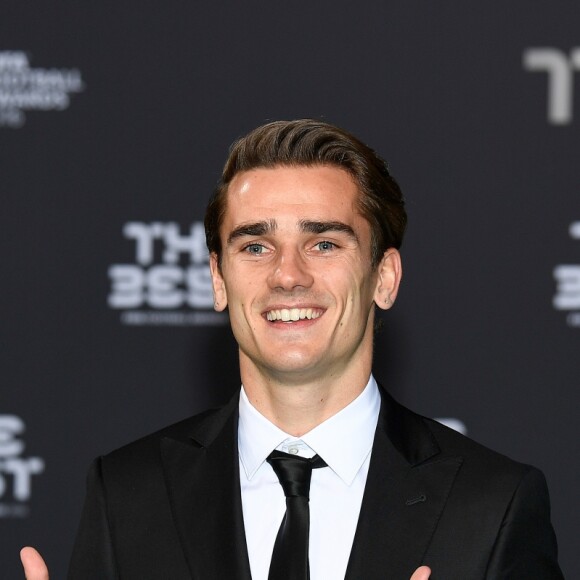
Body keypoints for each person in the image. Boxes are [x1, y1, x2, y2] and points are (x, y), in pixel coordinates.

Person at [21, 119, 562, 579]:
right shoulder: (127, 495)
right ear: (217, 279)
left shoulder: (494, 505)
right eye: (255, 246)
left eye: (324, 243)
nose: (287, 275)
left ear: (385, 277)